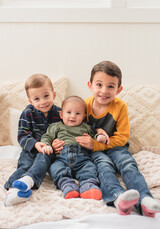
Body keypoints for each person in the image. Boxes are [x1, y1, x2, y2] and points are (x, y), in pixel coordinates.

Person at [54, 61, 160, 217]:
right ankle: (117, 198)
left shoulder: (120, 106)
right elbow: (72, 129)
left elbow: (122, 137)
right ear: (90, 86)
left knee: (128, 163)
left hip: (116, 146)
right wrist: (56, 142)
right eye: (99, 85)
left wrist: (98, 144)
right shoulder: (84, 105)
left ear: (119, 89)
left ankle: (144, 198)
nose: (104, 91)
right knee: (103, 166)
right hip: (94, 149)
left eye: (111, 86)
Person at [14, 96, 108, 200]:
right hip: (61, 158)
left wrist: (99, 137)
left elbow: (93, 135)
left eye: (78, 113)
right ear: (61, 114)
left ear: (84, 116)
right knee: (55, 169)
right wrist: (46, 145)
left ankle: (89, 186)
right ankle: (67, 186)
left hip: (82, 158)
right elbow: (47, 137)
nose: (73, 116)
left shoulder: (85, 127)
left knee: (89, 169)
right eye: (69, 112)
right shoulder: (55, 126)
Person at [4, 73, 61, 206]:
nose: (43, 102)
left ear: (54, 94)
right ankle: (12, 190)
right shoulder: (28, 113)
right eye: (37, 98)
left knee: (42, 161)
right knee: (25, 164)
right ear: (30, 101)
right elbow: (22, 135)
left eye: (46, 96)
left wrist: (57, 143)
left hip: (48, 150)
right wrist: (35, 144)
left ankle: (28, 183)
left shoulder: (60, 113)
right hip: (31, 148)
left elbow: (64, 132)